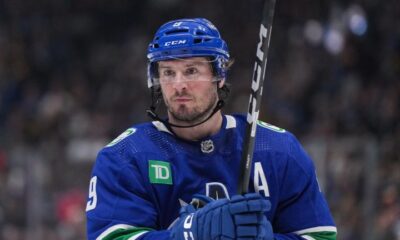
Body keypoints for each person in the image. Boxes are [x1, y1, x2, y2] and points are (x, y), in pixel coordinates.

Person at [86, 18, 337, 240]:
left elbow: (319, 235)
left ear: (220, 75)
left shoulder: (278, 150)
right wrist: (188, 234)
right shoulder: (126, 156)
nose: (179, 85)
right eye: (168, 73)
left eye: (191, 71)